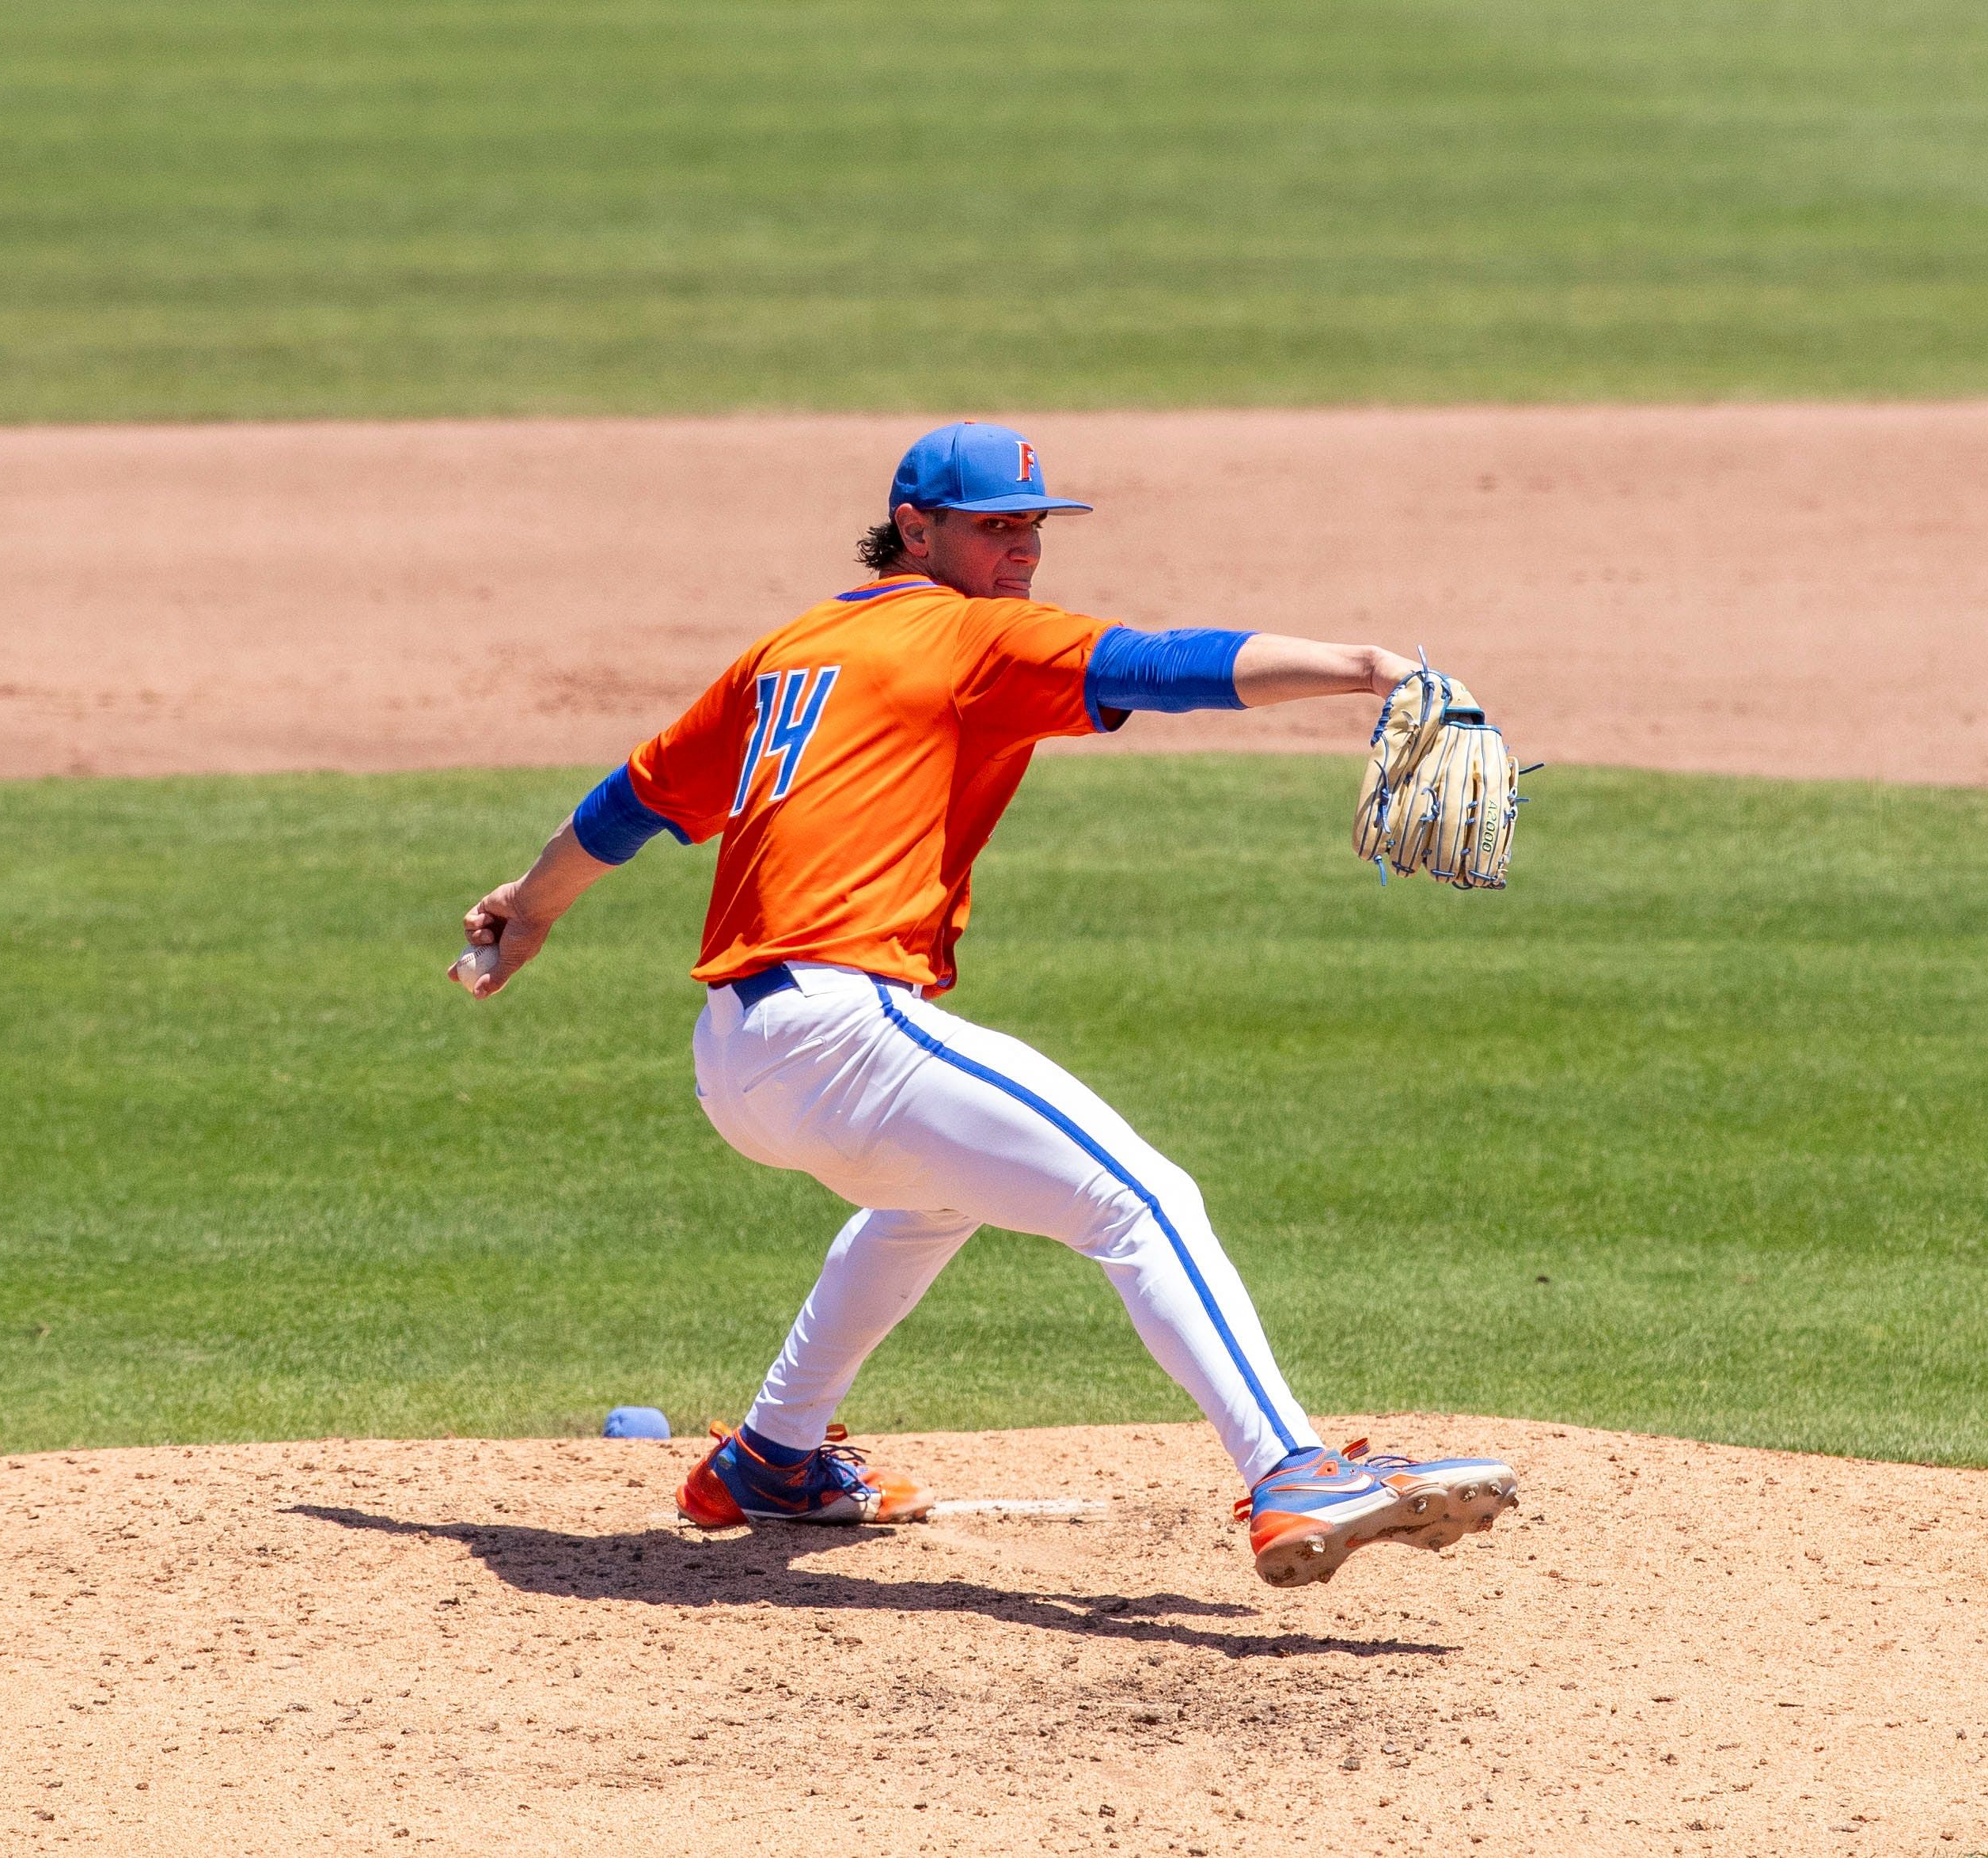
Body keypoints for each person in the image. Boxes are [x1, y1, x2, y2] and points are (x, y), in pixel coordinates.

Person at [457, 422, 1516, 1587]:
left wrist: (532, 906)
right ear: (915, 527)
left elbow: (629, 804)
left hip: (742, 1061)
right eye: (993, 526)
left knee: (935, 1191)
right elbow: (1159, 667)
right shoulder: (965, 632)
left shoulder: (792, 652)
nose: (1021, 549)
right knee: (1143, 1199)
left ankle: (774, 1457)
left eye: (1032, 527)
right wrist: (1366, 666)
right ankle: (1291, 1471)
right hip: (839, 1029)